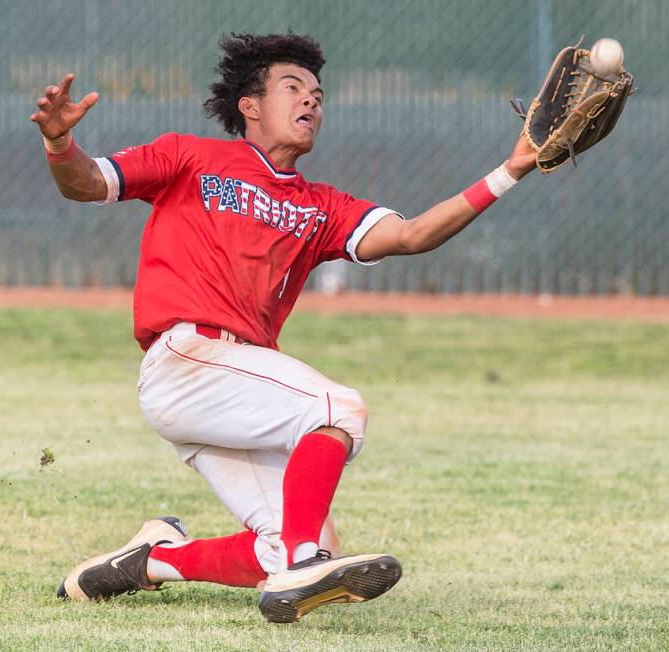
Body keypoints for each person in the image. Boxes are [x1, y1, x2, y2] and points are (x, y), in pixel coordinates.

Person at [31, 33, 536, 623]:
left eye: (318, 94)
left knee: (288, 540)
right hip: (187, 358)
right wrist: (60, 142)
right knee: (337, 408)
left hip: (232, 387)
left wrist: (512, 169)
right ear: (250, 105)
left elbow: (413, 234)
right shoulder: (191, 156)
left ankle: (151, 561)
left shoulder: (321, 206)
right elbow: (88, 182)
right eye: (293, 88)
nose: (311, 102)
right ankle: (304, 560)